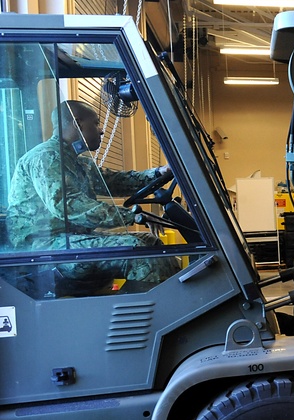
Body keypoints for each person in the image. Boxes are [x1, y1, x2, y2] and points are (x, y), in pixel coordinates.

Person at [7, 100, 177, 287]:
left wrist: (160, 173)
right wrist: (131, 216)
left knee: (152, 243)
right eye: (96, 123)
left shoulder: (78, 162)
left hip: (71, 239)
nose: (101, 130)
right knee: (136, 252)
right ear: (78, 124)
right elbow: (68, 205)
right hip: (43, 248)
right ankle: (156, 312)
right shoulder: (46, 157)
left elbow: (117, 181)